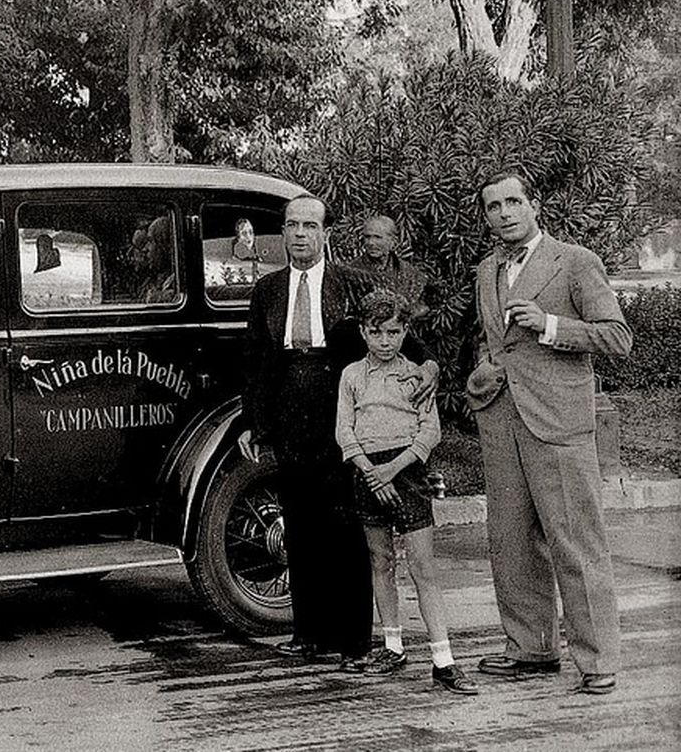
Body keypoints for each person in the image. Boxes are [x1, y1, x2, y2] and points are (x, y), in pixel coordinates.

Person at [242, 194, 437, 671]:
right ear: (283, 233)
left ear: (325, 233)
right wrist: (255, 421)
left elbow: (405, 339)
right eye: (292, 225)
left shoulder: (354, 285)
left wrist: (429, 366)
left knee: (347, 526)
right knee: (301, 523)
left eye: (310, 225)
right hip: (291, 412)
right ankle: (307, 633)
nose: (301, 234)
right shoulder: (267, 291)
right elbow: (255, 363)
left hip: (344, 409)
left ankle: (354, 641)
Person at [466, 170, 630, 695]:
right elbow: (496, 342)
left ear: (534, 205)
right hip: (502, 419)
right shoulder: (486, 269)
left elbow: (617, 338)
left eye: (514, 201)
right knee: (510, 541)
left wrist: (551, 325)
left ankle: (598, 659)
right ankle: (531, 647)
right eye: (494, 206)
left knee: (575, 542)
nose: (504, 212)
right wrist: (482, 374)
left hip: (559, 422)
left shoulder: (575, 261)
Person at [336, 290, 476, 695]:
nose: (385, 341)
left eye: (394, 332)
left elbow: (430, 430)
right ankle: (392, 646)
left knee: (423, 566)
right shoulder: (351, 376)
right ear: (363, 332)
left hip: (407, 471)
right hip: (367, 471)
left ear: (405, 331)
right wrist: (369, 470)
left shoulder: (416, 374)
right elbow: (344, 430)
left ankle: (443, 659)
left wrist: (394, 469)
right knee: (380, 560)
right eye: (376, 332)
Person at [347, 213, 431, 320]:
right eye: (367, 237)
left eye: (377, 237)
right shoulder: (350, 272)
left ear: (393, 242)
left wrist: (406, 315)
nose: (371, 243)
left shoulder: (409, 273)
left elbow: (423, 306)